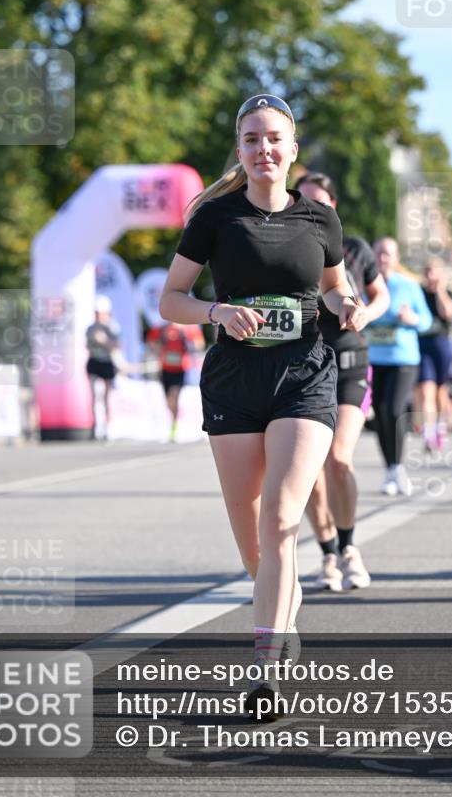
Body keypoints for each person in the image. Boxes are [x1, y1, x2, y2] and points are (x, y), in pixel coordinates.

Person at [159, 93, 367, 716]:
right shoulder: (215, 218)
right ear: (241, 149)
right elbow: (172, 299)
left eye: (274, 138)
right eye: (251, 139)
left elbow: (334, 288)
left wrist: (345, 306)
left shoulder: (320, 221)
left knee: (282, 520)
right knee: (255, 543)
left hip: (304, 378)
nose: (263, 149)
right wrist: (216, 310)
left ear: (292, 148)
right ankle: (282, 612)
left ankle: (265, 670)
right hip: (232, 382)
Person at [294, 172, 389, 593]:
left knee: (339, 458)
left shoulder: (353, 249)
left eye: (318, 202)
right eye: (303, 200)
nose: (310, 208)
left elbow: (380, 294)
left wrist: (368, 312)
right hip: (306, 361)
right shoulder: (286, 244)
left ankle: (350, 547)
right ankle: (328, 551)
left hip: (350, 358)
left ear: (332, 205)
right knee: (310, 470)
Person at [367, 238, 433, 496]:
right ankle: (391, 469)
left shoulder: (408, 286)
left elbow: (426, 321)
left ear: (396, 259)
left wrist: (411, 318)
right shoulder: (364, 285)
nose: (383, 258)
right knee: (380, 415)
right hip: (374, 359)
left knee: (392, 409)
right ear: (372, 256)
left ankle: (398, 467)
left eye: (388, 254)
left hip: (403, 359)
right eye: (380, 253)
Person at [416, 258, 452, 451]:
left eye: (433, 270)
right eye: (427, 270)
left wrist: (440, 289)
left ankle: (441, 427)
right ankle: (428, 434)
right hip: (422, 343)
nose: (429, 274)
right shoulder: (418, 292)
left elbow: (448, 313)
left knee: (441, 392)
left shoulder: (449, 293)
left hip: (441, 344)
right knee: (426, 389)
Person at [147, 320, 205, 440]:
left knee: (174, 396)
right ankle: (174, 419)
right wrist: (159, 348)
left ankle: (174, 425)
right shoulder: (161, 329)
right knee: (168, 400)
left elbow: (200, 344)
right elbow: (151, 342)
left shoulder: (189, 329)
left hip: (180, 369)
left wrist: (189, 340)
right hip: (165, 369)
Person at [85, 295, 121, 439]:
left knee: (106, 396)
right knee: (94, 395)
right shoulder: (90, 328)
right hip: (94, 361)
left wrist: (104, 341)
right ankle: (94, 426)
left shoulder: (112, 327)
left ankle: (106, 427)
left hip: (106, 362)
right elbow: (87, 345)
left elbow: (117, 346)